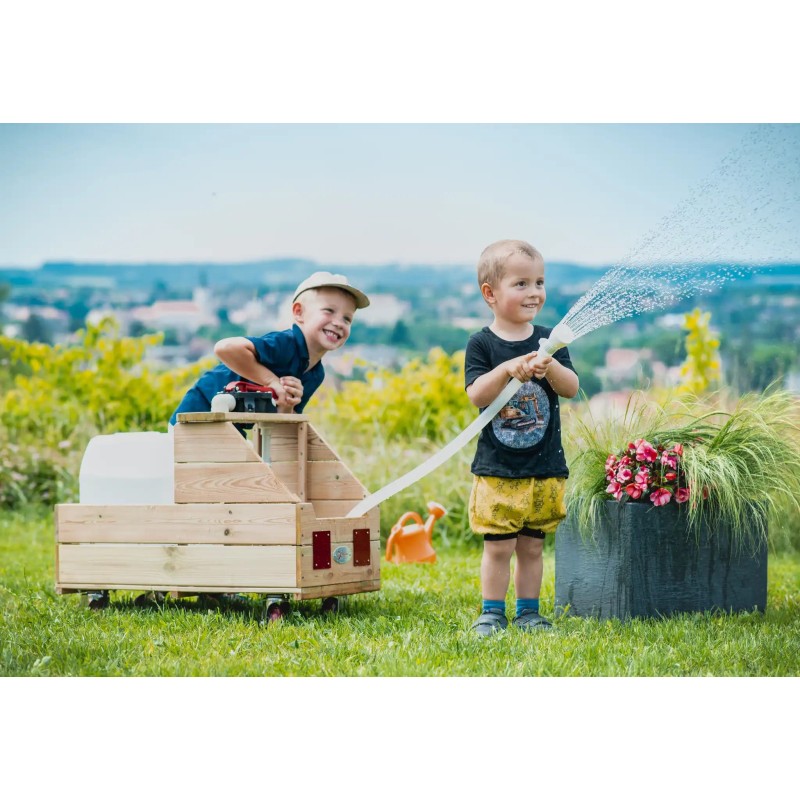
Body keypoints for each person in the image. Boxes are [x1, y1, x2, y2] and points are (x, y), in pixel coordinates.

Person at [87, 271, 369, 611]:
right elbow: (226, 348)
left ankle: (214, 579)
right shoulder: (286, 343)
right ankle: (175, 572)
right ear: (299, 313)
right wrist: (271, 380)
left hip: (234, 428)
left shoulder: (316, 372)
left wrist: (287, 404)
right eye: (329, 311)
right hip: (200, 415)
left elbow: (283, 423)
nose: (339, 322)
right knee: (214, 498)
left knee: (227, 502)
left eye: (347, 318)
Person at [464, 240, 579, 636]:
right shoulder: (482, 344)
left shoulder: (550, 340)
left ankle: (529, 611)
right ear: (490, 293)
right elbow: (477, 394)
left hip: (544, 467)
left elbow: (571, 388)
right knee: (499, 546)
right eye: (521, 284)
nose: (534, 293)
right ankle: (492, 612)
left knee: (532, 547)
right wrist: (508, 368)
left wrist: (549, 368)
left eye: (540, 282)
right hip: (498, 467)